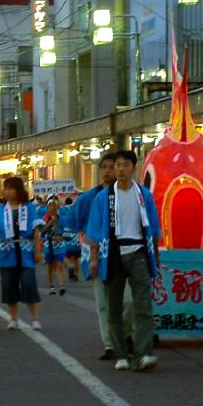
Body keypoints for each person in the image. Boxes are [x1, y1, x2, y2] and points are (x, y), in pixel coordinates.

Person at [86, 150, 162, 373]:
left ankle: (143, 353)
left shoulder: (144, 195)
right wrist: (93, 259)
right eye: (117, 165)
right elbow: (94, 232)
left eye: (125, 165)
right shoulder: (104, 197)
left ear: (133, 168)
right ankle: (120, 353)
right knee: (114, 307)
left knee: (143, 306)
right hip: (113, 253)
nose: (120, 169)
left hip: (138, 251)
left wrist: (154, 257)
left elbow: (154, 230)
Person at [75, 152, 134, 361]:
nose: (110, 171)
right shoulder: (89, 198)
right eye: (106, 167)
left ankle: (125, 335)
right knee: (103, 303)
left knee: (128, 301)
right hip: (97, 254)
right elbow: (79, 224)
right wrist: (90, 251)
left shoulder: (131, 194)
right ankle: (110, 344)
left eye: (114, 166)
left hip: (126, 254)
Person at [0, 176, 44, 330]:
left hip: (25, 250)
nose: (7, 192)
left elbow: (36, 229)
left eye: (11, 188)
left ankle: (34, 319)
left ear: (19, 190)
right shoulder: (0, 210)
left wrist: (38, 250)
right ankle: (13, 318)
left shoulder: (28, 207)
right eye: (6, 188)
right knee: (9, 286)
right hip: (6, 251)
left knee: (29, 283)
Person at [42, 197, 67, 295]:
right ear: (47, 207)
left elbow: (66, 231)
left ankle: (61, 286)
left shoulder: (62, 218)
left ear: (57, 207)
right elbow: (41, 231)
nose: (52, 208)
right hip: (48, 245)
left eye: (54, 206)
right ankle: (51, 286)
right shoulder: (44, 218)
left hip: (59, 245)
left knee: (60, 265)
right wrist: (50, 223)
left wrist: (61, 236)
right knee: (50, 266)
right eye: (50, 206)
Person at [60, 197, 81, 282]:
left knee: (66, 255)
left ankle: (69, 265)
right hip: (76, 235)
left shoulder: (63, 209)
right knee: (76, 258)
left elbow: (59, 220)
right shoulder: (78, 210)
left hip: (66, 234)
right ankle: (75, 274)